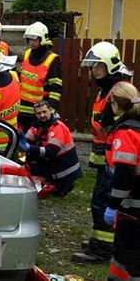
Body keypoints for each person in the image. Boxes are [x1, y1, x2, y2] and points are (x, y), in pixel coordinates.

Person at [72, 41, 133, 264]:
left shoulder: (117, 91)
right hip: (105, 154)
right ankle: (101, 242)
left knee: (103, 201)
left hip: (114, 157)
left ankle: (102, 248)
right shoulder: (109, 88)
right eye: (92, 66)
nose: (94, 69)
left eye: (98, 65)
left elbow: (117, 127)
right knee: (100, 199)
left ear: (110, 64)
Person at [103, 81, 140, 280]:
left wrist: (113, 205)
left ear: (116, 104)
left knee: (132, 258)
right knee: (122, 257)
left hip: (133, 207)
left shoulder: (126, 133)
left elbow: (124, 173)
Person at [20, 100, 82, 197]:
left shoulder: (57, 126)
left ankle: (60, 185)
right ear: (35, 114)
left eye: (44, 112)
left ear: (50, 110)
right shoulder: (38, 124)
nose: (42, 115)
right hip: (53, 162)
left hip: (63, 166)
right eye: (39, 113)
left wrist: (29, 148)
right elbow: (27, 140)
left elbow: (51, 152)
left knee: (39, 182)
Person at [18, 22, 63, 132]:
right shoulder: (28, 54)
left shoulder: (52, 60)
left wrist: (50, 110)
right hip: (22, 110)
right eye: (29, 40)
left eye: (34, 39)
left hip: (39, 112)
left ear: (42, 39)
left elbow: (56, 89)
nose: (31, 43)